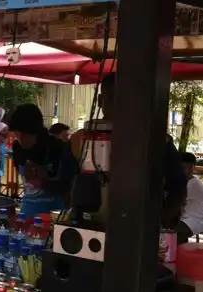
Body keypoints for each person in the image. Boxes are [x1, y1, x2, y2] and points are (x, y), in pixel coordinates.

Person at [68, 73, 186, 226]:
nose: (118, 107)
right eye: (111, 99)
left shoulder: (157, 141)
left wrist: (159, 219)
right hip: (89, 226)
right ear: (99, 100)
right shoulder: (79, 139)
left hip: (137, 229)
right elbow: (66, 183)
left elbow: (178, 187)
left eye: (125, 100)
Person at [9, 103, 71, 217]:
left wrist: (44, 181)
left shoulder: (58, 148)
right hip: (28, 210)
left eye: (23, 134)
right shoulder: (17, 148)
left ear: (34, 131)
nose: (20, 138)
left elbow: (67, 186)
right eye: (17, 134)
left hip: (55, 214)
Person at [177, 152, 203, 244]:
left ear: (191, 168)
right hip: (189, 220)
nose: (180, 171)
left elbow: (176, 202)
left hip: (193, 221)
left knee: (169, 236)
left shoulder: (192, 184)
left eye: (183, 168)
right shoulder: (191, 182)